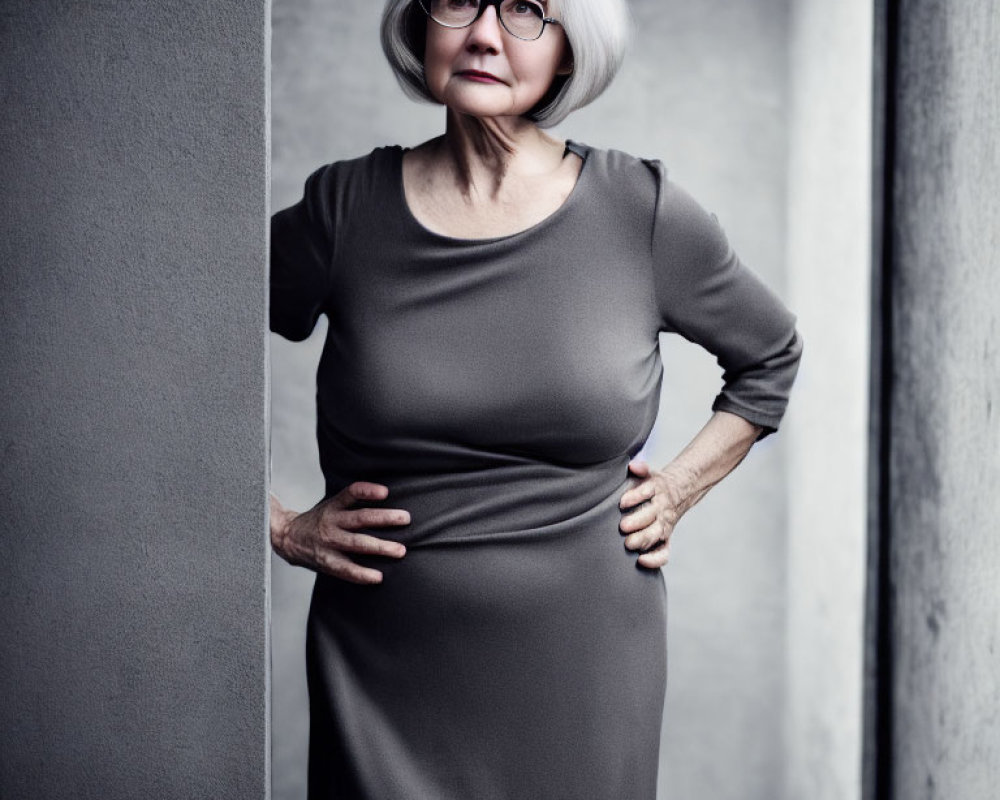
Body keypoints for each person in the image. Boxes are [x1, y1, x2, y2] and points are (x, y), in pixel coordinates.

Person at [268, 0, 803, 797]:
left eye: (526, 9)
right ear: (420, 26)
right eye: (457, 1)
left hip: (584, 672)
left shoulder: (639, 210)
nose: (484, 33)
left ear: (569, 51)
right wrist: (274, 524)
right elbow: (181, 330)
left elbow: (770, 357)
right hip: (379, 670)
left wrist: (678, 489)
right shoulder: (345, 211)